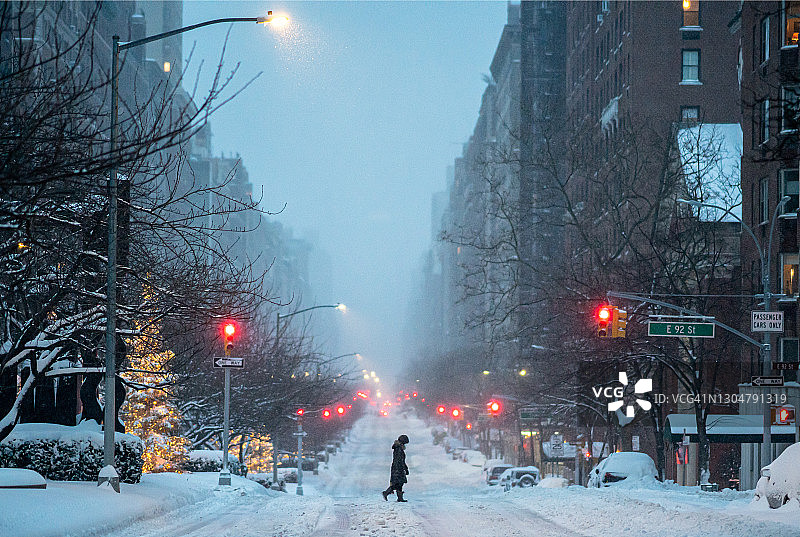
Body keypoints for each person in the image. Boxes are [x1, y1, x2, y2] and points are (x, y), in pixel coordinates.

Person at [382, 434, 409, 502]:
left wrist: (405, 468)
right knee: (397, 483)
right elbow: (399, 460)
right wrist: (403, 468)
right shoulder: (399, 449)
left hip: (397, 467)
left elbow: (402, 460)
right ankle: (386, 493)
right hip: (397, 468)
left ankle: (399, 498)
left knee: (399, 483)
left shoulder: (398, 447)